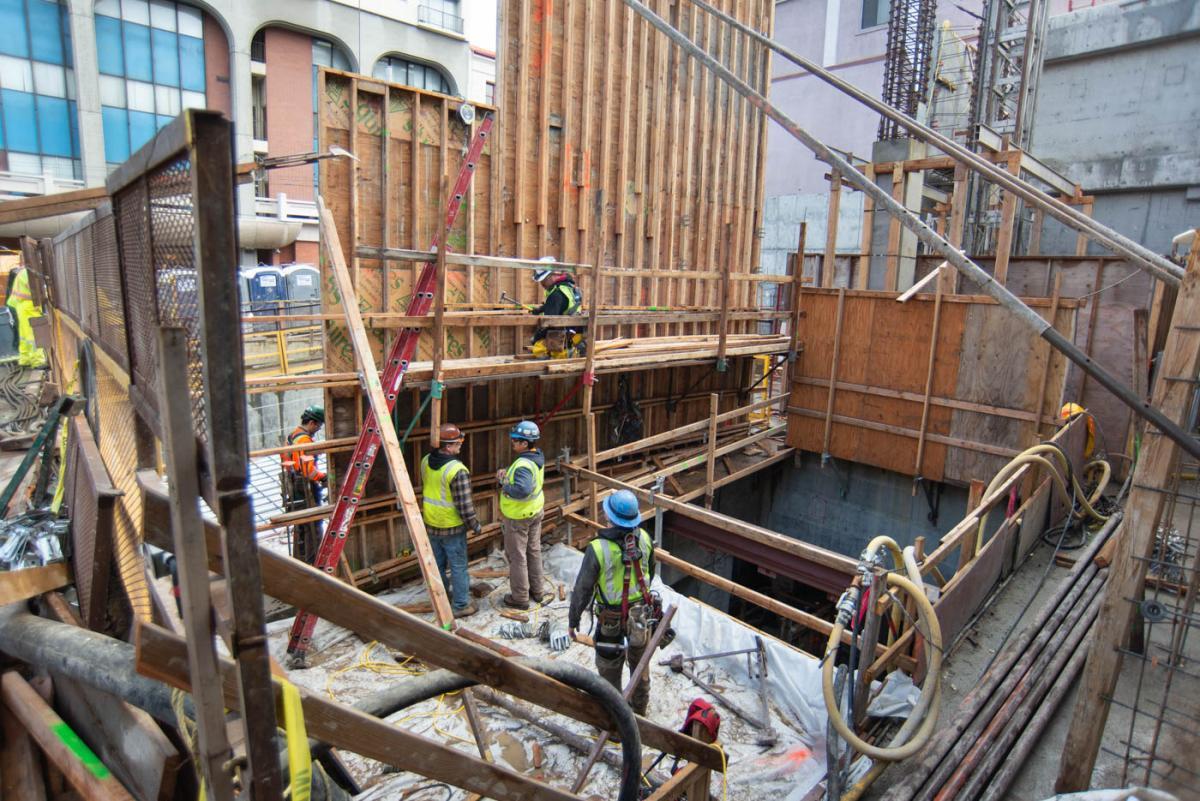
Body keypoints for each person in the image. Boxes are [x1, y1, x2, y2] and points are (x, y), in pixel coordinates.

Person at [567, 489, 656, 715]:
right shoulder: (644, 539)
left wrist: (573, 619)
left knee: (609, 669)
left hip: (611, 619)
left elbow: (583, 589)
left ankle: (616, 719)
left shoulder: (598, 548)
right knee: (640, 664)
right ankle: (639, 711)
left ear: (609, 517)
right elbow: (650, 573)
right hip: (641, 615)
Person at [420, 423, 482, 618]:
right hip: (452, 526)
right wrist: (475, 525)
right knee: (458, 566)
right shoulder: (457, 470)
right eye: (457, 443)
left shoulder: (426, 461)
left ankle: (442, 597)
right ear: (447, 446)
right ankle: (461, 604)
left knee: (437, 564)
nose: (460, 446)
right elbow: (464, 505)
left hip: (431, 523)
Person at [496, 419, 552, 609]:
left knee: (517, 557)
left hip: (519, 517)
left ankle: (520, 598)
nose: (512, 443)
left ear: (525, 444)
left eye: (515, 440)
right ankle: (538, 591)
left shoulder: (522, 464)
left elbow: (522, 490)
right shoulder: (537, 456)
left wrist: (504, 482)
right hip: (535, 512)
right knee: (533, 551)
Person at [282, 406, 327, 564]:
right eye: (319, 426)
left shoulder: (292, 435)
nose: (318, 429)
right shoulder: (304, 440)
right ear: (312, 423)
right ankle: (314, 564)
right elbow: (308, 471)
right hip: (305, 486)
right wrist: (323, 477)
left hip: (293, 484)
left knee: (301, 525)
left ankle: (300, 562)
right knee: (313, 526)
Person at [529, 257, 584, 360]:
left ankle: (549, 360)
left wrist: (536, 337)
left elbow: (549, 324)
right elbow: (565, 305)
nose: (542, 284)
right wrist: (542, 309)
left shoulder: (555, 295)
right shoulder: (570, 288)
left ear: (551, 276)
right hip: (576, 337)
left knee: (538, 347)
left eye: (543, 281)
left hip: (563, 341)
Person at [4, 264, 46, 368]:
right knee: (34, 334)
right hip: (30, 305)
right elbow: (38, 291)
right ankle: (37, 361)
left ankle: (25, 359)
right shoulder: (30, 274)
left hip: (21, 305)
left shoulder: (23, 272)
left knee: (24, 334)